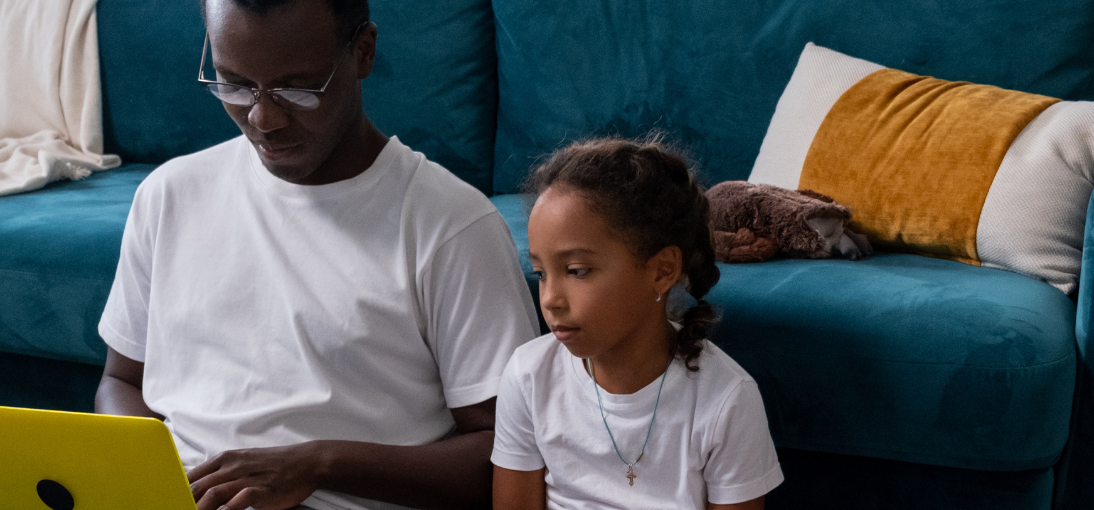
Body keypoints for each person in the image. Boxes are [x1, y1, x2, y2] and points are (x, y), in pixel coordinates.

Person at [92, 0, 539, 508]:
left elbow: (510, 454)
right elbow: (120, 380)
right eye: (234, 83)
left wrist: (319, 464)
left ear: (363, 53)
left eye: (296, 89)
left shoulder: (451, 226)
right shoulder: (168, 194)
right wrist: (148, 481)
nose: (263, 117)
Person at [491, 137, 784, 509]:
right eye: (541, 273)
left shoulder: (727, 400)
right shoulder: (529, 376)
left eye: (577, 271)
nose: (550, 299)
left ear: (662, 271)